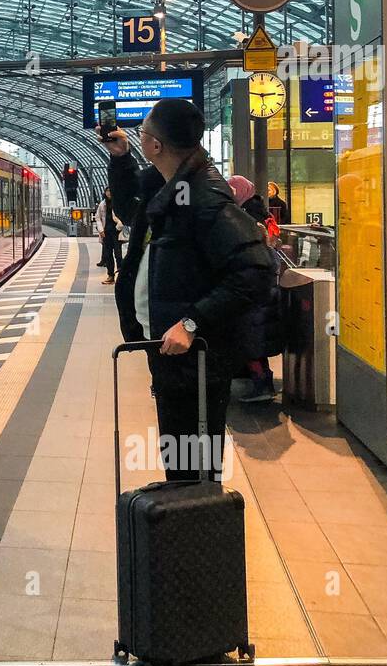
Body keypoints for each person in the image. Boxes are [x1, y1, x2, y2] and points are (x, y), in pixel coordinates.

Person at [99, 99, 272, 482]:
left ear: (156, 145)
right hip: (170, 349)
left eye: (142, 133)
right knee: (180, 459)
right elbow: (131, 211)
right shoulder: (172, 186)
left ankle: (197, 528)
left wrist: (192, 323)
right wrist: (122, 159)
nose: (138, 138)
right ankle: (184, 516)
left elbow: (257, 269)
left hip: (197, 357)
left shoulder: (204, 195)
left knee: (195, 466)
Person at [228, 176, 284, 402]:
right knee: (253, 340)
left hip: (255, 293)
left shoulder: (248, 215)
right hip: (260, 290)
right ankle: (256, 379)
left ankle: (262, 385)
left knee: (252, 341)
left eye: (233, 189)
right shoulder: (254, 209)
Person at [94, 186, 122, 283]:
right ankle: (110, 275)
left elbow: (124, 216)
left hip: (117, 231)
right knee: (108, 254)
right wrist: (101, 230)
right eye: (107, 191)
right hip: (106, 232)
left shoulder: (118, 202)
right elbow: (97, 217)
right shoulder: (103, 204)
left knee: (118, 254)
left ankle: (121, 274)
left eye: (110, 191)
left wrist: (119, 226)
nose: (109, 193)